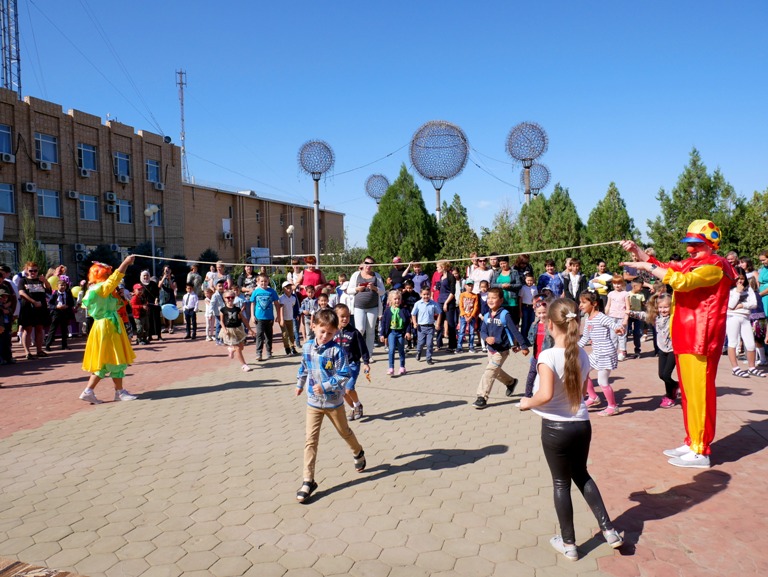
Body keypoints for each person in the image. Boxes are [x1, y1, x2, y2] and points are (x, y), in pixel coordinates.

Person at [621, 220, 735, 468]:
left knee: (700, 395)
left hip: (701, 338)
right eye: (689, 244)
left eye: (696, 244)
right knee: (689, 395)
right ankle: (692, 440)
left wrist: (645, 266)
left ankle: (701, 450)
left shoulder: (716, 265)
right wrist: (638, 252)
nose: (690, 250)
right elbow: (664, 267)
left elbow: (681, 281)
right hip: (684, 336)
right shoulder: (693, 263)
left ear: (711, 244)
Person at [519, 298, 623, 561]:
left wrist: (526, 403)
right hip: (581, 424)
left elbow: (544, 395)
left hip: (556, 428)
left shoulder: (547, 355)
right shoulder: (582, 354)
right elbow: (578, 390)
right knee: (582, 475)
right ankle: (609, 530)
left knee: (560, 483)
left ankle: (569, 544)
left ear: (550, 324)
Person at [295, 308, 366, 502]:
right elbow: (304, 366)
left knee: (345, 432)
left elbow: (344, 374)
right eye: (322, 331)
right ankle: (308, 480)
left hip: (334, 403)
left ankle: (358, 452)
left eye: (330, 333)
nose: (325, 336)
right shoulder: (307, 347)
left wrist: (325, 386)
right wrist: (299, 384)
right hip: (313, 403)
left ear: (335, 332)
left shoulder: (337, 350)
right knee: (310, 440)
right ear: (314, 327)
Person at [78, 256, 139, 404]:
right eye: (107, 274)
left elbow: (114, 298)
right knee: (115, 358)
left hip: (102, 326)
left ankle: (88, 391)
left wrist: (121, 297)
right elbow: (115, 279)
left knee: (104, 361)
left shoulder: (95, 290)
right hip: (108, 326)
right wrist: (125, 262)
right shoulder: (101, 288)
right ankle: (119, 392)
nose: (109, 276)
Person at [474, 287, 529, 409]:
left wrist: (523, 346)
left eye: (494, 298)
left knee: (489, 371)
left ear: (500, 300)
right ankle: (511, 382)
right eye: (489, 298)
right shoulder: (487, 315)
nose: (490, 300)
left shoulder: (505, 315)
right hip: (490, 349)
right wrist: (486, 338)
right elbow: (482, 331)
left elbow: (515, 331)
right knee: (495, 371)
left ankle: (481, 397)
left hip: (502, 350)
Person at [578, 290, 625, 416]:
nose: (580, 305)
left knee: (602, 381)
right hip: (596, 353)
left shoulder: (601, 317)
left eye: (583, 302)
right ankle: (593, 397)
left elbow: (612, 324)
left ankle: (613, 406)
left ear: (594, 304)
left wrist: (618, 329)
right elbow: (585, 338)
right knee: (583, 372)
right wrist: (573, 348)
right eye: (580, 303)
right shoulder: (588, 319)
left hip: (606, 353)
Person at [629, 293, 678, 407]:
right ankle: (674, 386)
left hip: (672, 349)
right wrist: (630, 312)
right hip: (662, 348)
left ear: (671, 306)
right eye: (660, 307)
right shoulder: (656, 318)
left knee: (666, 374)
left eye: (666, 307)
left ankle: (670, 396)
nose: (663, 310)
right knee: (661, 375)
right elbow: (643, 315)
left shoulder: (674, 317)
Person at [725, 268, 766, 378]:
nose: (740, 281)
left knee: (750, 343)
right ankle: (735, 368)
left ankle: (752, 367)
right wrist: (738, 292)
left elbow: (754, 304)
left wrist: (743, 305)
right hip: (732, 317)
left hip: (745, 317)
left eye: (742, 279)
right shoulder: (730, 290)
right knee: (733, 342)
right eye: (737, 279)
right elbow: (730, 305)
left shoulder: (749, 289)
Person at [334, 303, 370, 421]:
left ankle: (358, 404)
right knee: (342, 392)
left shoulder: (354, 332)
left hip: (352, 364)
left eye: (348, 316)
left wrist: (366, 362)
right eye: (342, 316)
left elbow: (362, 348)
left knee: (349, 388)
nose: (345, 319)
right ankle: (354, 407)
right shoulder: (333, 332)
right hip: (338, 366)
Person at [346, 257, 385, 357]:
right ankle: (358, 352)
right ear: (363, 263)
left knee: (371, 330)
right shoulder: (356, 275)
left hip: (373, 307)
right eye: (366, 263)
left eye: (371, 264)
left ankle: (369, 354)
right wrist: (357, 289)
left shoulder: (377, 276)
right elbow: (349, 290)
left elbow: (383, 291)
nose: (368, 265)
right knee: (360, 329)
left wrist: (374, 288)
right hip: (359, 306)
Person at [17, 262, 51, 360]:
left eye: (35, 270)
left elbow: (48, 290)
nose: (33, 272)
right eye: (31, 270)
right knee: (27, 330)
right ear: (26, 271)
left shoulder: (40, 281)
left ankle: (39, 350)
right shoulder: (23, 281)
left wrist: (45, 281)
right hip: (28, 308)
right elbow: (21, 293)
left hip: (40, 309)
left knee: (39, 328)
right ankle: (27, 352)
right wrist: (33, 302)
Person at [523, 296, 554, 400]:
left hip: (548, 357)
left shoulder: (551, 325)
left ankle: (547, 395)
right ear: (535, 313)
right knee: (531, 375)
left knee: (546, 377)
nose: (542, 315)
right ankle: (527, 396)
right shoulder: (534, 325)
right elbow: (530, 340)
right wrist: (521, 346)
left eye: (544, 312)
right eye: (539, 313)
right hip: (536, 356)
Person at [219, 290, 256, 372]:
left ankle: (231, 349)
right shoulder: (223, 310)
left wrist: (250, 329)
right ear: (224, 299)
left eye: (232, 297)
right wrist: (224, 329)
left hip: (238, 329)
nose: (230, 299)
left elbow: (244, 319)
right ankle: (244, 365)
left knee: (241, 347)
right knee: (238, 348)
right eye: (227, 297)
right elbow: (221, 321)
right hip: (229, 330)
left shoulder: (237, 309)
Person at [380, 290, 411, 376]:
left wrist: (408, 332)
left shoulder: (404, 310)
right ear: (390, 300)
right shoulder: (387, 311)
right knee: (391, 349)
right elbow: (384, 323)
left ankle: (402, 367)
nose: (397, 301)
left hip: (400, 333)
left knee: (401, 350)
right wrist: (382, 334)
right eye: (395, 299)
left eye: (399, 299)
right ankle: (391, 368)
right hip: (391, 333)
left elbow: (408, 322)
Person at [251, 274, 281, 362]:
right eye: (261, 281)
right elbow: (252, 304)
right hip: (259, 317)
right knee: (259, 335)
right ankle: (259, 353)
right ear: (258, 282)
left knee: (269, 335)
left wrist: (278, 315)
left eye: (265, 281)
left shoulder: (272, 291)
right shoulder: (256, 292)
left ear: (268, 281)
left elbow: (276, 304)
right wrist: (252, 316)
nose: (263, 283)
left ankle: (269, 351)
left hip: (269, 318)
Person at [411, 287, 440, 365]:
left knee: (430, 343)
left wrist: (437, 323)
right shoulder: (418, 304)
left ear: (430, 294)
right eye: (424, 294)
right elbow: (413, 314)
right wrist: (414, 323)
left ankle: (429, 358)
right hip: (421, 327)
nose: (426, 296)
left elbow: (439, 313)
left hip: (430, 326)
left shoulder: (434, 304)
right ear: (421, 294)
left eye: (427, 294)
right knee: (421, 343)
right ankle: (418, 352)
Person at [491, 255, 522, 327]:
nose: (502, 265)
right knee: (501, 323)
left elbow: (519, 285)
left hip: (512, 302)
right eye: (501, 264)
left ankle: (514, 338)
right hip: (500, 302)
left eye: (504, 263)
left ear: (508, 263)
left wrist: (510, 286)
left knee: (514, 323)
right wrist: (501, 286)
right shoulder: (497, 273)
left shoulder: (514, 272)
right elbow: (492, 285)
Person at [44, 279, 75, 351]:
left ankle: (64, 345)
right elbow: (50, 304)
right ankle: (47, 345)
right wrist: (56, 307)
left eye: (64, 285)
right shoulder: (55, 294)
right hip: (56, 313)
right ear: (57, 286)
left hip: (65, 313)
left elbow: (72, 303)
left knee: (64, 329)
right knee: (53, 329)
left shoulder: (68, 293)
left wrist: (67, 306)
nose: (63, 287)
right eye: (61, 285)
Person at [605, 274, 630, 361]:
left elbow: (628, 308)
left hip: (621, 317)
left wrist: (626, 319)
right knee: (612, 336)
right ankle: (613, 352)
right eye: (615, 283)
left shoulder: (625, 294)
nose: (617, 285)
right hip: (612, 317)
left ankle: (622, 352)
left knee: (622, 335)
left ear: (622, 284)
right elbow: (608, 305)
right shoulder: (610, 294)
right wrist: (606, 315)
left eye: (619, 283)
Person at [435, 260, 457, 351]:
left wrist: (446, 303)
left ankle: (452, 346)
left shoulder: (451, 277)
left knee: (451, 324)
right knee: (439, 323)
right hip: (440, 301)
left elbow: (452, 292)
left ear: (443, 267)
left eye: (438, 267)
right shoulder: (441, 277)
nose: (437, 269)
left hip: (448, 302)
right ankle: (439, 344)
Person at [139, 270, 163, 342]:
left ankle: (159, 335)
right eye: (144, 276)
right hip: (146, 306)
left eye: (147, 275)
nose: (146, 277)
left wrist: (156, 299)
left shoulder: (153, 283)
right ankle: (149, 336)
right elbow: (139, 296)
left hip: (154, 305)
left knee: (156, 320)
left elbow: (157, 293)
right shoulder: (140, 285)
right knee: (148, 321)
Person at [456, 279, 479, 353]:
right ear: (465, 286)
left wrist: (471, 316)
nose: (470, 287)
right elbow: (461, 306)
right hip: (463, 316)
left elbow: (476, 307)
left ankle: (471, 346)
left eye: (471, 286)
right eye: (468, 285)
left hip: (471, 317)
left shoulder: (475, 296)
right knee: (461, 332)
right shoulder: (462, 295)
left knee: (471, 332)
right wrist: (465, 316)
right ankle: (459, 347)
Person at [625, 278, 646, 358]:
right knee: (626, 333)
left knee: (637, 333)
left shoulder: (641, 295)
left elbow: (643, 304)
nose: (642, 288)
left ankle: (637, 351)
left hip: (638, 316)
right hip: (629, 316)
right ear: (634, 286)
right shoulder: (627, 294)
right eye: (640, 287)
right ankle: (624, 350)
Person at [278, 281, 299, 356]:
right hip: (283, 319)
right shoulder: (282, 298)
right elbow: (281, 309)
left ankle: (292, 347)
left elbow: (293, 307)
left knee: (291, 334)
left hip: (290, 318)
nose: (289, 289)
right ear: (284, 289)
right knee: (285, 334)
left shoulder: (293, 298)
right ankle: (287, 348)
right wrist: (281, 319)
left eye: (290, 287)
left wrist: (295, 315)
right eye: (287, 288)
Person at [158, 266, 177, 334]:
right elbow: (159, 286)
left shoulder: (173, 278)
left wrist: (169, 279)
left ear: (170, 271)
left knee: (171, 311)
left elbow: (173, 287)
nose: (167, 271)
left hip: (170, 296)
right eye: (166, 270)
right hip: (163, 296)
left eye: (168, 270)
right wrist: (164, 277)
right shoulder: (161, 277)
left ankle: (171, 327)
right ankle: (166, 327)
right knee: (164, 312)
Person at [519, 273, 539, 338]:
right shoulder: (523, 288)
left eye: (531, 280)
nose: (529, 282)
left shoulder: (535, 288)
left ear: (533, 280)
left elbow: (536, 298)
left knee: (531, 322)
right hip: (525, 307)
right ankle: (523, 337)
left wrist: (536, 307)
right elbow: (520, 298)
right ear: (525, 280)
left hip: (532, 307)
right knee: (525, 323)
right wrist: (520, 310)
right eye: (528, 280)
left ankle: (530, 337)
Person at [210, 279, 227, 345]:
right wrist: (210, 313)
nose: (221, 287)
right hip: (218, 313)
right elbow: (212, 304)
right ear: (215, 287)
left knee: (224, 325)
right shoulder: (215, 295)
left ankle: (223, 339)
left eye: (222, 286)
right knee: (219, 326)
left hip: (224, 312)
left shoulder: (224, 294)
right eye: (219, 286)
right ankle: (217, 339)